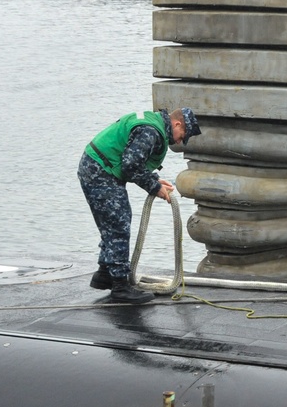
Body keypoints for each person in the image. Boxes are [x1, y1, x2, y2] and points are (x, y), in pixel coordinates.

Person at [78, 108, 201, 303]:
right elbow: (131, 165)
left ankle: (104, 274)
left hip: (96, 167)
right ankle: (120, 286)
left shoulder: (152, 124)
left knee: (112, 223)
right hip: (100, 171)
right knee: (118, 225)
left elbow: (132, 161)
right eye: (182, 136)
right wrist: (154, 187)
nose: (179, 142)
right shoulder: (150, 132)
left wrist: (155, 180)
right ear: (177, 124)